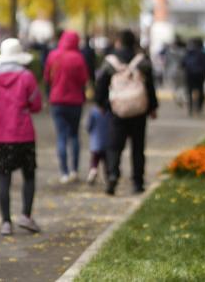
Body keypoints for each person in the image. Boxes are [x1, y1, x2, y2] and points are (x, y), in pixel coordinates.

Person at [0, 38, 42, 236]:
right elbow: (36, 104)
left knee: (3, 178)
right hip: (22, 133)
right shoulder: (27, 77)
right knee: (29, 175)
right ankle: (26, 215)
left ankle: (6, 222)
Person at [95, 28, 158, 196]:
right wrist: (152, 107)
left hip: (117, 110)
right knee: (138, 147)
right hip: (139, 109)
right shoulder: (142, 61)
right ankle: (137, 182)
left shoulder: (110, 61)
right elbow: (150, 86)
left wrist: (102, 104)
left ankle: (113, 176)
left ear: (119, 42)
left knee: (114, 147)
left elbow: (101, 84)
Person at [44, 29, 89, 183]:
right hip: (75, 102)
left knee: (61, 136)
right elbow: (84, 79)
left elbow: (47, 77)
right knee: (74, 135)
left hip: (57, 101)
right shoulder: (78, 58)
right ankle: (74, 170)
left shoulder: (53, 56)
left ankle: (63, 172)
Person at [183, 38, 205, 115]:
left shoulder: (189, 53)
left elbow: (183, 64)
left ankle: (190, 108)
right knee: (201, 90)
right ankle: (199, 107)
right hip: (200, 75)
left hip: (190, 75)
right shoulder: (204, 54)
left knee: (189, 92)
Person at [85, 104, 111, 184]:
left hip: (95, 143)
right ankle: (109, 177)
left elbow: (88, 126)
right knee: (107, 162)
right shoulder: (110, 111)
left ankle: (93, 171)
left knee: (95, 160)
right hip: (108, 143)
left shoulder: (93, 111)